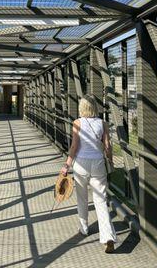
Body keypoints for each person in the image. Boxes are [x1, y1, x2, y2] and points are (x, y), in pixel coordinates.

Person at [60, 94, 117, 253]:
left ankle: (84, 228)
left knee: (82, 198)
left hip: (81, 164)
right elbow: (107, 147)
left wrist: (66, 165)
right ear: (94, 108)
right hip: (98, 163)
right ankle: (107, 237)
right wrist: (110, 162)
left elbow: (74, 147)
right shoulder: (102, 123)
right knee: (101, 200)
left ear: (82, 108)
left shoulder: (77, 123)